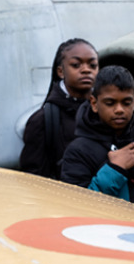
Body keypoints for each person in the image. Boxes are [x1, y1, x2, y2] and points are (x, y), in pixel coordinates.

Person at [61, 65, 134, 212]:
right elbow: (75, 207)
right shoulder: (78, 151)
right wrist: (114, 170)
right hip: (104, 233)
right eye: (110, 103)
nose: (119, 110)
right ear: (94, 103)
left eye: (126, 103)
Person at [20, 38, 98, 179]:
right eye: (76, 65)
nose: (86, 70)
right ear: (61, 72)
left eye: (92, 65)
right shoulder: (42, 120)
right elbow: (33, 178)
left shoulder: (105, 113)